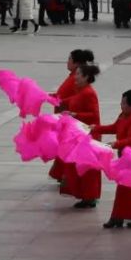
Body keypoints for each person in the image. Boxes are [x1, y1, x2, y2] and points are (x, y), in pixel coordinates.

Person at [92, 90, 131, 229]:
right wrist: (96, 128)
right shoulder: (124, 115)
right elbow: (114, 128)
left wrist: (115, 144)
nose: (121, 105)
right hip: (126, 156)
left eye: (124, 103)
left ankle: (123, 217)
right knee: (127, 188)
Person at [60, 64, 102, 209]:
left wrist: (75, 115)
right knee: (81, 167)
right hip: (80, 134)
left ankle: (90, 197)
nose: (75, 77)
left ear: (85, 77)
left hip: (89, 136)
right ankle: (85, 196)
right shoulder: (81, 91)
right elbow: (69, 101)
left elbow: (94, 115)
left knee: (88, 169)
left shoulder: (89, 93)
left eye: (78, 74)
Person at [49, 50, 95, 183]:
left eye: (69, 59)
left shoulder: (77, 79)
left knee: (67, 150)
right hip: (66, 117)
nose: (67, 61)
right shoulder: (74, 76)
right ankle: (62, 175)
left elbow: (74, 99)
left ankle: (65, 176)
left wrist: (56, 100)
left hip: (71, 121)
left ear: (76, 63)